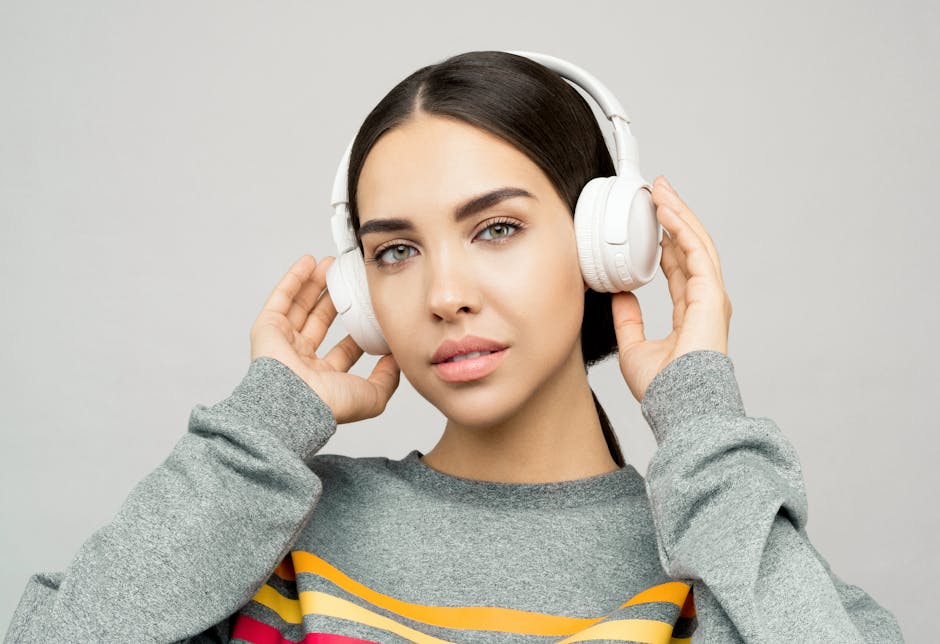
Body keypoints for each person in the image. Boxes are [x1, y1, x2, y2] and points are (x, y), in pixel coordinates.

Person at [5, 50, 903, 643]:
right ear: (361, 291)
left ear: (605, 243)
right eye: (395, 251)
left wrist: (704, 425)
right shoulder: (277, 537)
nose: (443, 295)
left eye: (498, 229)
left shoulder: (716, 564)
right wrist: (257, 433)